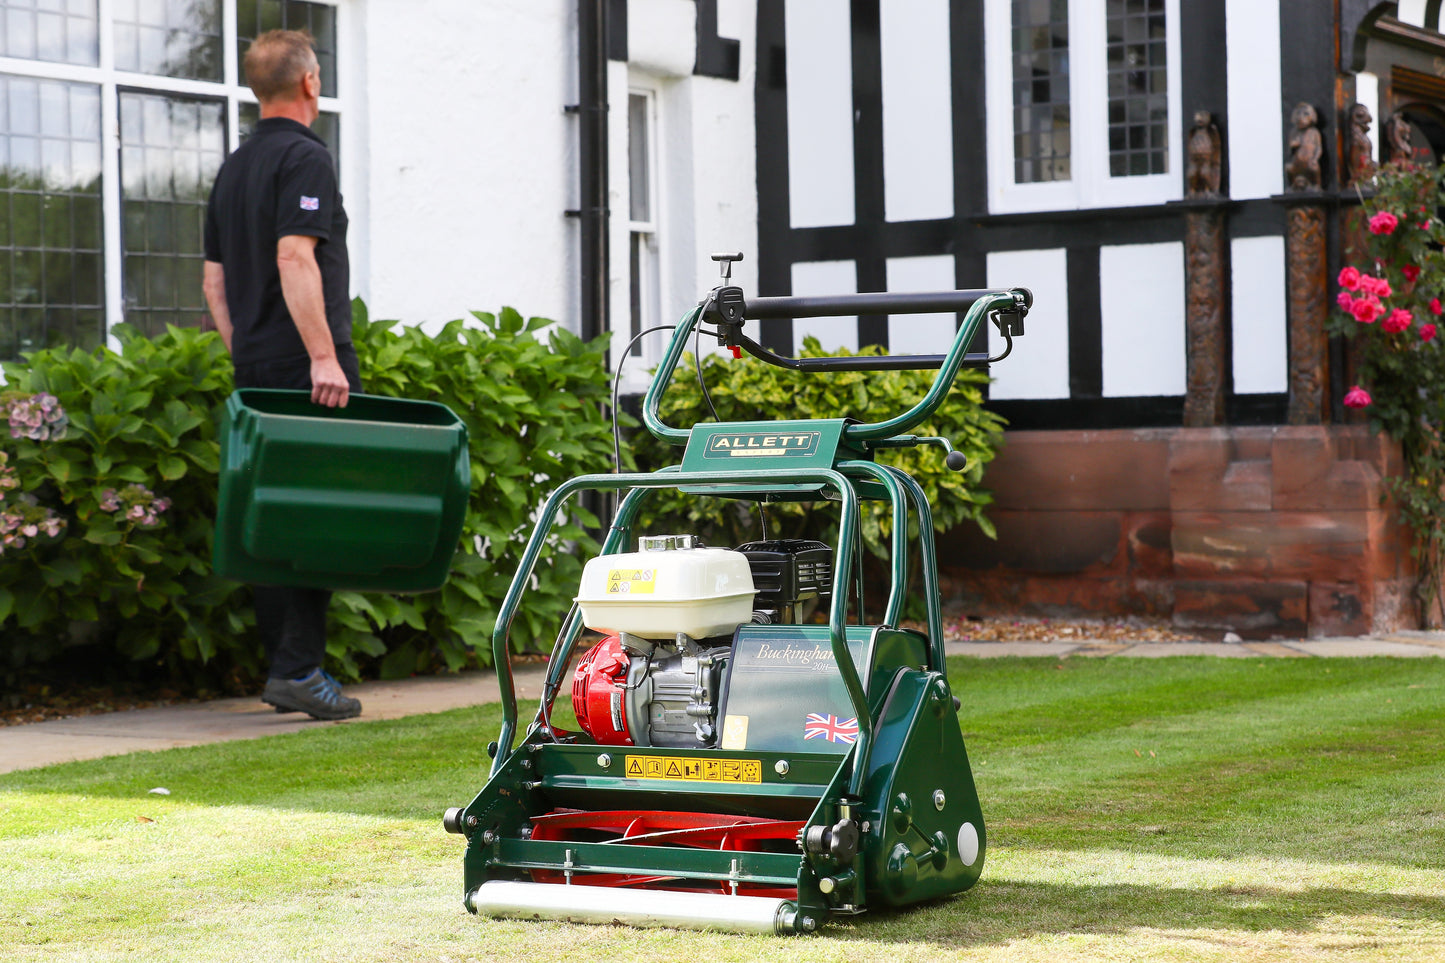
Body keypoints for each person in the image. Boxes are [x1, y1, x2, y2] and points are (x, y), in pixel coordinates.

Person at [202, 29, 361, 720]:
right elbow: (296, 257)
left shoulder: (233, 168)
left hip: (258, 365)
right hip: (305, 367)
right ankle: (299, 668)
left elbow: (213, 281)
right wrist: (322, 356)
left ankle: (286, 668)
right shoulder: (305, 158)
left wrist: (248, 351)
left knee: (272, 516)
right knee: (318, 517)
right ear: (308, 83)